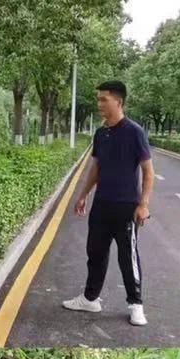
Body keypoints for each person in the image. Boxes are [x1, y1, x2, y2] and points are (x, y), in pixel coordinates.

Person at [63, 81, 154, 327]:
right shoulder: (101, 133)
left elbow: (148, 172)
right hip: (101, 206)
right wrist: (83, 195)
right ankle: (90, 299)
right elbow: (96, 167)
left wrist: (143, 205)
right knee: (95, 253)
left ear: (118, 102)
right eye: (98, 99)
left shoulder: (134, 132)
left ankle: (136, 305)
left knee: (128, 258)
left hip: (126, 208)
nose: (99, 104)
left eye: (104, 99)